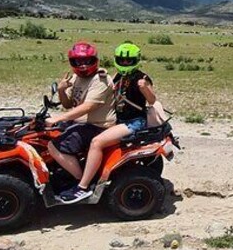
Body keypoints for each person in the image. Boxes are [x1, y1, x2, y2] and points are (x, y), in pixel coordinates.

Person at [56, 41, 167, 204]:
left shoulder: (142, 78)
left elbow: (151, 100)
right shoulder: (118, 76)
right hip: (120, 119)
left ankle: (83, 187)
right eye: (122, 60)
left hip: (134, 122)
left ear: (136, 60)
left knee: (97, 142)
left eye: (129, 61)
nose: (125, 63)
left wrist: (145, 88)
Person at [46, 41, 115, 200]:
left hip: (98, 126)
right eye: (78, 62)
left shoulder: (101, 79)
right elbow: (68, 104)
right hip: (81, 123)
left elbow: (88, 107)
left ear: (95, 60)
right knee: (46, 135)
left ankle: (82, 184)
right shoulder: (77, 78)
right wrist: (62, 90)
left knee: (54, 146)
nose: (83, 66)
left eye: (87, 61)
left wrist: (59, 118)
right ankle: (64, 173)